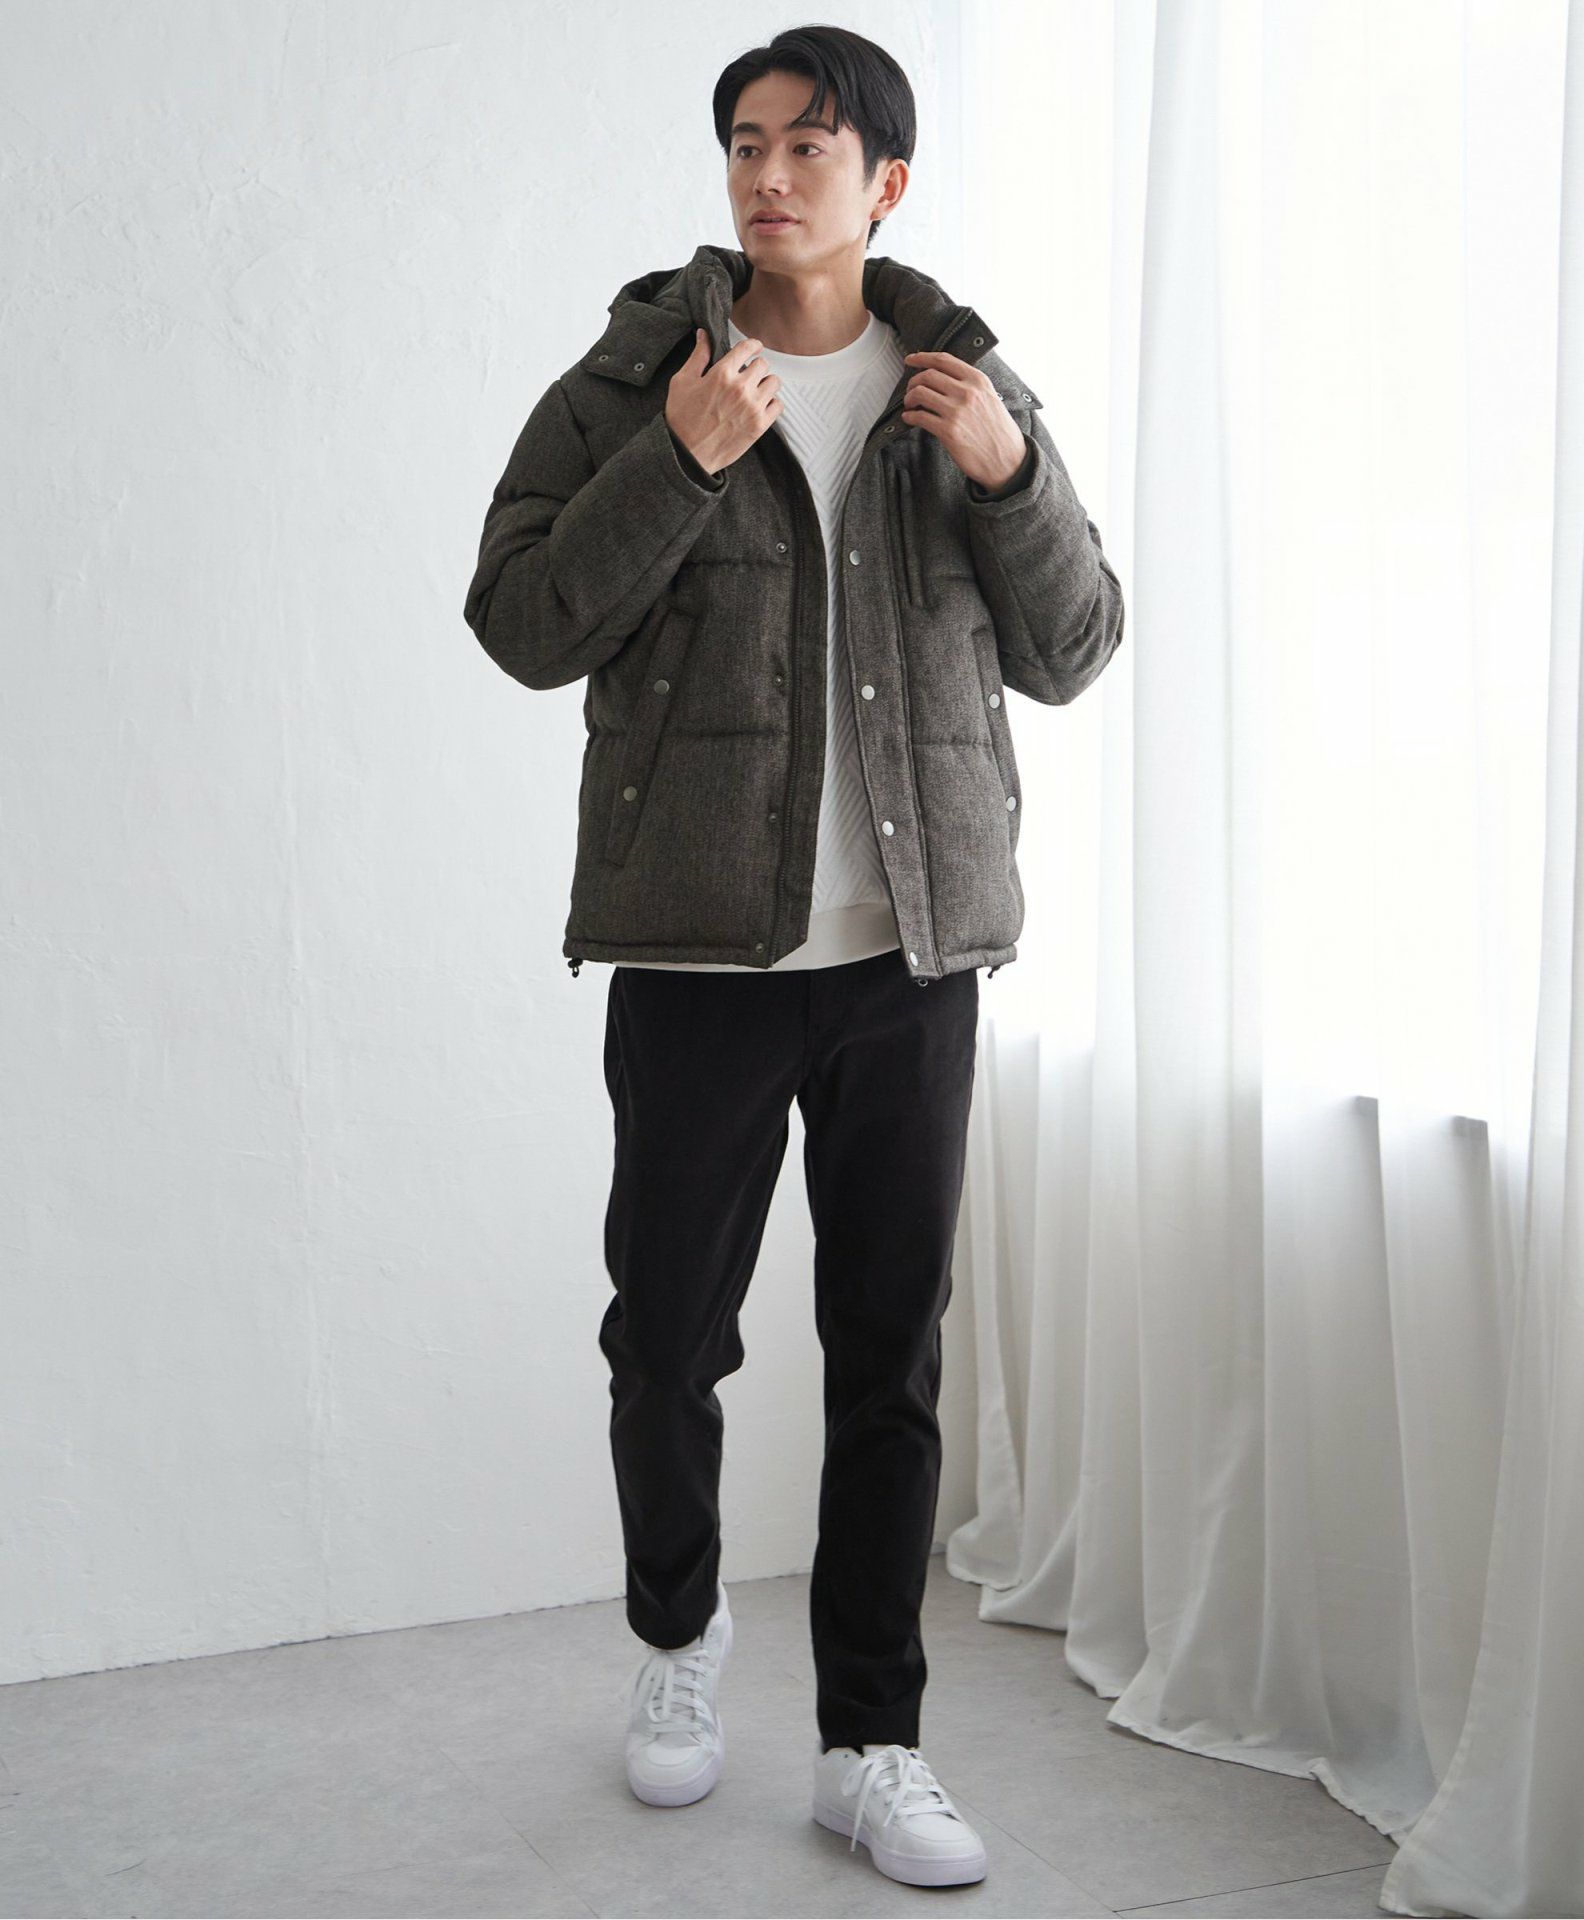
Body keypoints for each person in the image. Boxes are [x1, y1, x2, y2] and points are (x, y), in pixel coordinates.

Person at [463, 23, 1125, 1891]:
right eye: (745, 143)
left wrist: (1011, 474)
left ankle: (870, 1743)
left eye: (809, 146)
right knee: (667, 1338)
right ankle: (680, 1641)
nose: (768, 175)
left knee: (887, 1359)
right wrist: (677, 463)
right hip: (698, 961)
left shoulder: (961, 387)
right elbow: (521, 621)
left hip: (911, 963)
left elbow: (1076, 646)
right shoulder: (639, 378)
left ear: (884, 182)